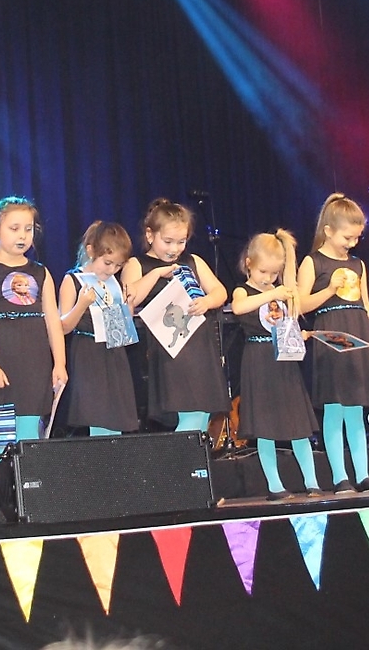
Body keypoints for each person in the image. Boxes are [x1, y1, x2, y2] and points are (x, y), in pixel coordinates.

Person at [296, 193, 369, 493]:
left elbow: (364, 306)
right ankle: (339, 476)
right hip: (331, 339)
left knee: (355, 409)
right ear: (328, 230)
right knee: (335, 408)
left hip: (358, 336)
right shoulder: (313, 262)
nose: (352, 243)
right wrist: (329, 290)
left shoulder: (358, 264)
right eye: (347, 237)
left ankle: (362, 474)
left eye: (357, 238)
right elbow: (300, 305)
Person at [0, 197, 68, 471]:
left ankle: (27, 489)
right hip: (1, 365)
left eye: (28, 229)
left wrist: (60, 363)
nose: (22, 236)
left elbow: (53, 321)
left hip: (34, 367)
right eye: (14, 229)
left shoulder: (41, 272)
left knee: (28, 436)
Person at [122, 199, 229, 433]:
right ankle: (181, 456)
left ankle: (190, 457)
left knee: (202, 415)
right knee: (190, 415)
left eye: (181, 242)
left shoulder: (193, 261)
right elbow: (130, 297)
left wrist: (207, 301)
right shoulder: (137, 264)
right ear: (150, 235)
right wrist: (157, 273)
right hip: (170, 351)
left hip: (200, 348)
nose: (174, 249)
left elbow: (220, 291)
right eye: (168, 241)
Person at [231, 230, 322, 500]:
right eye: (263, 272)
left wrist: (298, 333)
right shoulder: (243, 290)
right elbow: (238, 308)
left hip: (284, 361)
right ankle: (274, 485)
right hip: (258, 360)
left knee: (298, 424)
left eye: (274, 273)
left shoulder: (281, 291)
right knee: (265, 426)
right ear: (249, 263)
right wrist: (272, 293)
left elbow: (287, 321)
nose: (268, 278)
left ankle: (312, 482)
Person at [59, 221, 140, 436]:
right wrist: (81, 304)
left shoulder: (114, 283)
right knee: (96, 418)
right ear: (91, 251)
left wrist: (128, 307)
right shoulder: (73, 280)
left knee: (115, 423)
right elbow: (63, 327)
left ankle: (111, 457)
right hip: (88, 355)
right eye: (107, 263)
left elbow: (122, 330)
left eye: (118, 266)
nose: (112, 270)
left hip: (114, 356)